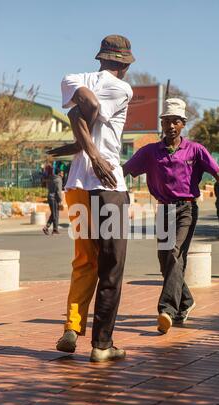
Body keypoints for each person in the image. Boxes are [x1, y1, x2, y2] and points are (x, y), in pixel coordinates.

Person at [124, 98, 219, 334]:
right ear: (162, 124)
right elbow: (124, 170)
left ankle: (166, 309)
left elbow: (218, 173)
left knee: (175, 253)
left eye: (175, 121)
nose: (171, 126)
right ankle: (186, 301)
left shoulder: (195, 150)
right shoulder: (149, 152)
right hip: (163, 210)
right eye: (166, 121)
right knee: (166, 261)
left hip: (186, 209)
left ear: (183, 124)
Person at [48, 35, 135, 362]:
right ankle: (102, 345)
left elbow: (77, 117)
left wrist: (77, 148)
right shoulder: (122, 89)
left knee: (85, 258)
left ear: (100, 58)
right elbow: (95, 113)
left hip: (76, 185)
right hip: (107, 182)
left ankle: (73, 325)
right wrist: (97, 157)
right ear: (124, 64)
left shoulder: (72, 79)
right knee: (112, 264)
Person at [43, 168, 63, 235]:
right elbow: (58, 191)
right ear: (59, 173)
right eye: (62, 172)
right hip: (54, 198)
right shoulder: (59, 180)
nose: (63, 174)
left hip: (50, 197)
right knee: (55, 214)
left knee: (54, 214)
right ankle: (47, 228)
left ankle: (55, 229)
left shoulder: (51, 179)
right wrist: (60, 200)